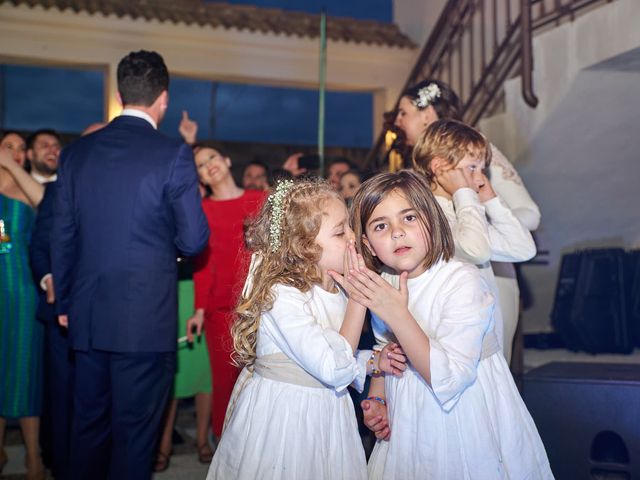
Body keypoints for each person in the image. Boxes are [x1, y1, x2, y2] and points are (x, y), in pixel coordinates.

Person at [51, 50, 209, 480]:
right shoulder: (173, 154)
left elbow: (61, 236)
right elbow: (195, 239)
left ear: (120, 95)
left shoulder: (76, 155)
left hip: (86, 315)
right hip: (145, 318)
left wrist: (65, 301)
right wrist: (166, 250)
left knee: (87, 429)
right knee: (135, 437)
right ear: (163, 98)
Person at [346, 170, 552, 479]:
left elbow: (450, 378)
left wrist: (398, 313)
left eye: (409, 218)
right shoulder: (385, 281)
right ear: (369, 244)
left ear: (432, 219)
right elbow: (385, 348)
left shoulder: (461, 279)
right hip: (408, 415)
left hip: (464, 412)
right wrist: (378, 396)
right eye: (381, 225)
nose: (397, 232)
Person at [207, 179, 405, 479]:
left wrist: (371, 361)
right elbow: (332, 367)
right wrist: (358, 301)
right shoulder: (282, 295)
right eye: (341, 232)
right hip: (287, 420)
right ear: (305, 247)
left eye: (351, 227)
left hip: (327, 415)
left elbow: (337, 349)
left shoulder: (336, 289)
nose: (354, 238)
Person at [393, 79, 541, 362]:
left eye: (403, 112)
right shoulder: (428, 204)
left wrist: (480, 206)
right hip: (446, 290)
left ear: (426, 114)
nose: (398, 121)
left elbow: (528, 218)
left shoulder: (473, 150)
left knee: (494, 359)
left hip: (493, 269)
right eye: (472, 168)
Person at [412, 119, 536, 354]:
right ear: (439, 168)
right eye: (472, 168)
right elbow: (477, 250)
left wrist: (491, 200)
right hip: (455, 343)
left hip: (485, 336)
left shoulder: (467, 212)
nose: (479, 179)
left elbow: (523, 249)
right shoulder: (430, 216)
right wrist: (465, 193)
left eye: (482, 170)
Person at [187, 145, 268, 441]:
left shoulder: (260, 200)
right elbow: (203, 264)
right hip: (221, 311)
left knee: (262, 381)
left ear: (227, 159)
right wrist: (198, 309)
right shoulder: (202, 210)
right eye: (200, 164)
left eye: (211, 157)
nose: (208, 165)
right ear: (200, 178)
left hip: (263, 307)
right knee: (225, 383)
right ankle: (225, 448)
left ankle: (258, 448)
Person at [0, 148, 45, 479]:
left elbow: (42, 200)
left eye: (18, 147)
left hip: (22, 292)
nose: (11, 151)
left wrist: (9, 164)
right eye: (6, 145)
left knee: (24, 372)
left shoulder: (26, 186)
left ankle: (33, 456)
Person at [30, 179, 74, 480]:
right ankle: (62, 466)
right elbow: (39, 244)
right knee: (61, 392)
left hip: (113, 310)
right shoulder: (58, 190)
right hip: (61, 307)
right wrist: (49, 279)